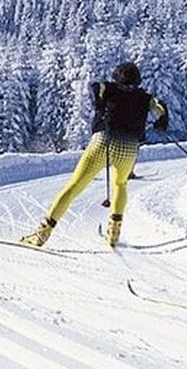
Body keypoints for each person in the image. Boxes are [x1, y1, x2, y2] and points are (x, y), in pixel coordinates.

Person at [21, 61, 168, 248]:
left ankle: (42, 233)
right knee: (120, 184)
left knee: (74, 186)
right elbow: (160, 106)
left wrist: (99, 104)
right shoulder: (145, 98)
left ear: (117, 76)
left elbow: (94, 86)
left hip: (103, 141)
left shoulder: (109, 88)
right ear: (138, 80)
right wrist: (163, 120)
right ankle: (113, 233)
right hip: (129, 148)